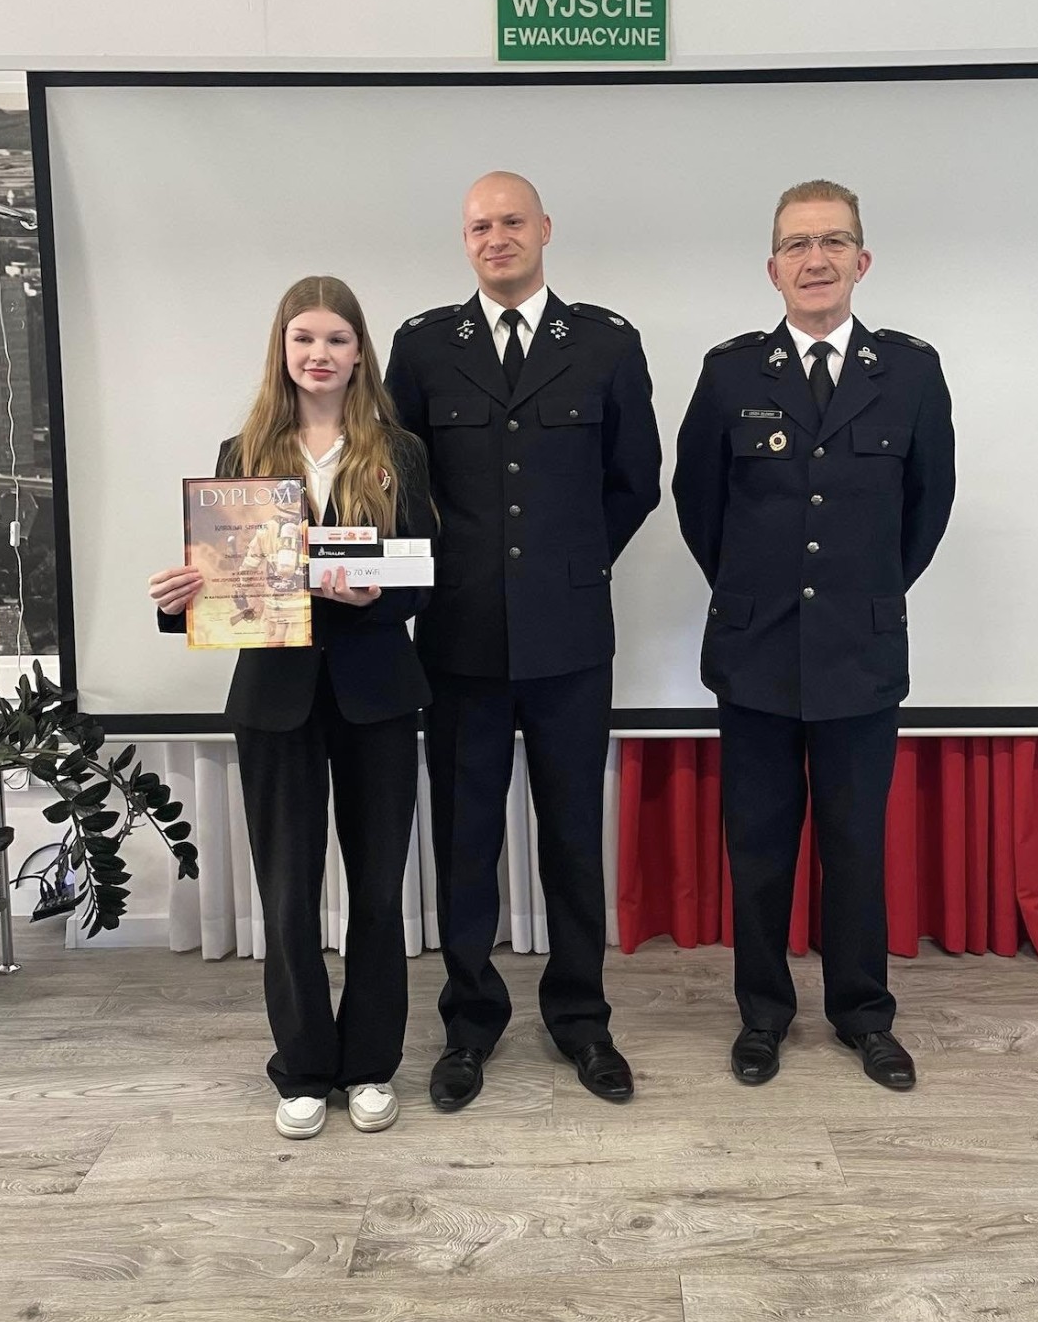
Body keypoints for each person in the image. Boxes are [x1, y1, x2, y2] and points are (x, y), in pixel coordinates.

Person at [385, 172, 662, 1111]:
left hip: (570, 636)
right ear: (463, 240)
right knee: (464, 841)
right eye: (479, 226)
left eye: (512, 222)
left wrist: (569, 562)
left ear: (545, 229)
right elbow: (398, 482)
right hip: (459, 635)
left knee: (573, 838)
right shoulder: (424, 347)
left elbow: (635, 479)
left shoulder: (605, 343)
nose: (496, 237)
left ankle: (581, 1019)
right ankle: (470, 1023)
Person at [672, 180, 955, 1091]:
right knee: (757, 848)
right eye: (797, 244)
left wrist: (861, 594)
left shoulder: (909, 372)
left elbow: (927, 508)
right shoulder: (731, 373)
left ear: (861, 260)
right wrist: (752, 592)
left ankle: (863, 1015)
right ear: (773, 268)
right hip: (755, 650)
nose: (815, 259)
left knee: (855, 847)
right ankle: (763, 1016)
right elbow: (698, 503)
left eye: (833, 242)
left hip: (859, 652)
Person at [149, 276, 432, 1139]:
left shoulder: (399, 451)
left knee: (377, 891)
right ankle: (304, 1068)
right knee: (287, 891)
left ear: (360, 353)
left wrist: (372, 598)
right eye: (304, 338)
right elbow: (229, 585)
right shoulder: (241, 453)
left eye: (337, 339)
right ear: (283, 348)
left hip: (378, 694)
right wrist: (180, 602)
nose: (320, 354)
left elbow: (422, 575)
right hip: (275, 698)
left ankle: (370, 1065)